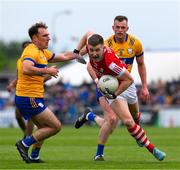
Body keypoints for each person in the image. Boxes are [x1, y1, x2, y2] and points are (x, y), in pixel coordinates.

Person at [75, 34, 166, 161]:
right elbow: (88, 35)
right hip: (111, 88)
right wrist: (76, 51)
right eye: (91, 50)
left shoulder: (110, 63)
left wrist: (115, 93)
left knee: (134, 117)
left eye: (97, 50)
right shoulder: (93, 49)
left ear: (103, 48)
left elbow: (129, 80)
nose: (94, 54)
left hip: (125, 85)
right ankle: (152, 149)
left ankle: (90, 116)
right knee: (121, 121)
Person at [15, 22, 83, 163]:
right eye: (45, 35)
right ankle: (24, 144)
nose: (49, 38)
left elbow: (64, 56)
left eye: (48, 35)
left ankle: (34, 156)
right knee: (55, 126)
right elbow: (26, 69)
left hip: (30, 97)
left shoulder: (42, 52)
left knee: (43, 128)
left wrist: (82, 52)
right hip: (29, 98)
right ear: (35, 38)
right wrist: (47, 70)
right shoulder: (31, 50)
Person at [7, 41, 34, 138]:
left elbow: (47, 75)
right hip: (22, 92)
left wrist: (38, 81)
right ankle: (26, 134)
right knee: (18, 115)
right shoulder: (20, 61)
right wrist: (12, 84)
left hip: (33, 92)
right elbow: (19, 77)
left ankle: (27, 137)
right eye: (26, 48)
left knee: (31, 116)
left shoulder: (36, 59)